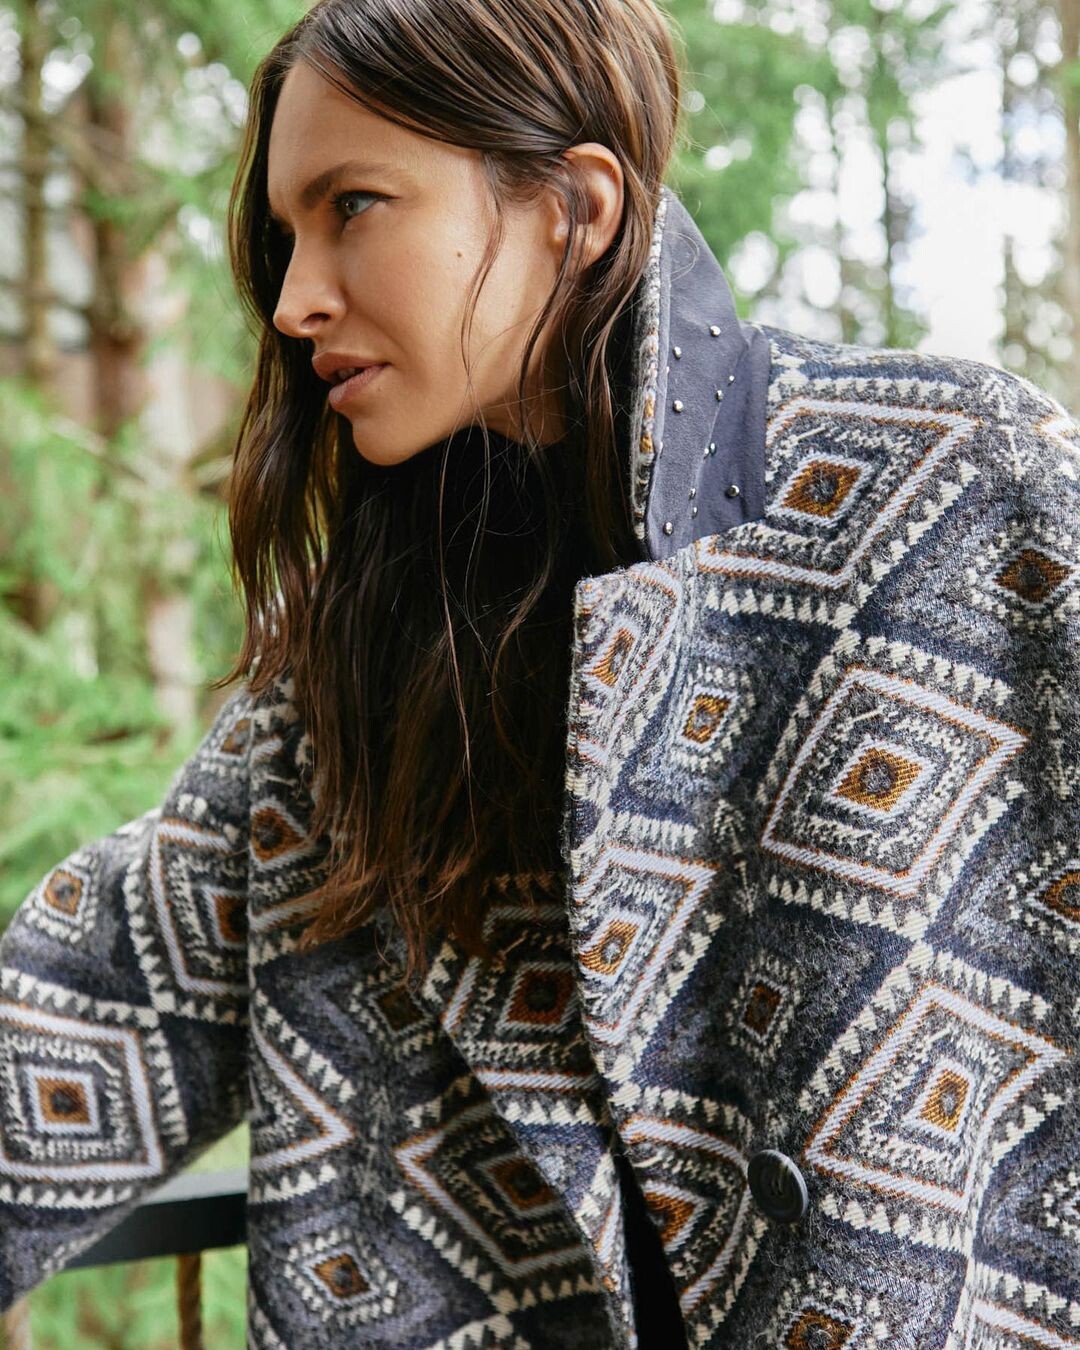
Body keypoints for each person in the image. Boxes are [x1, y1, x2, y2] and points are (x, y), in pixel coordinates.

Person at [2, 0, 1078, 1346]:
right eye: (288, 234)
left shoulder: (958, 486)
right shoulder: (366, 655)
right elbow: (88, 1012)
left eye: (353, 206)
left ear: (574, 207)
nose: (294, 300)